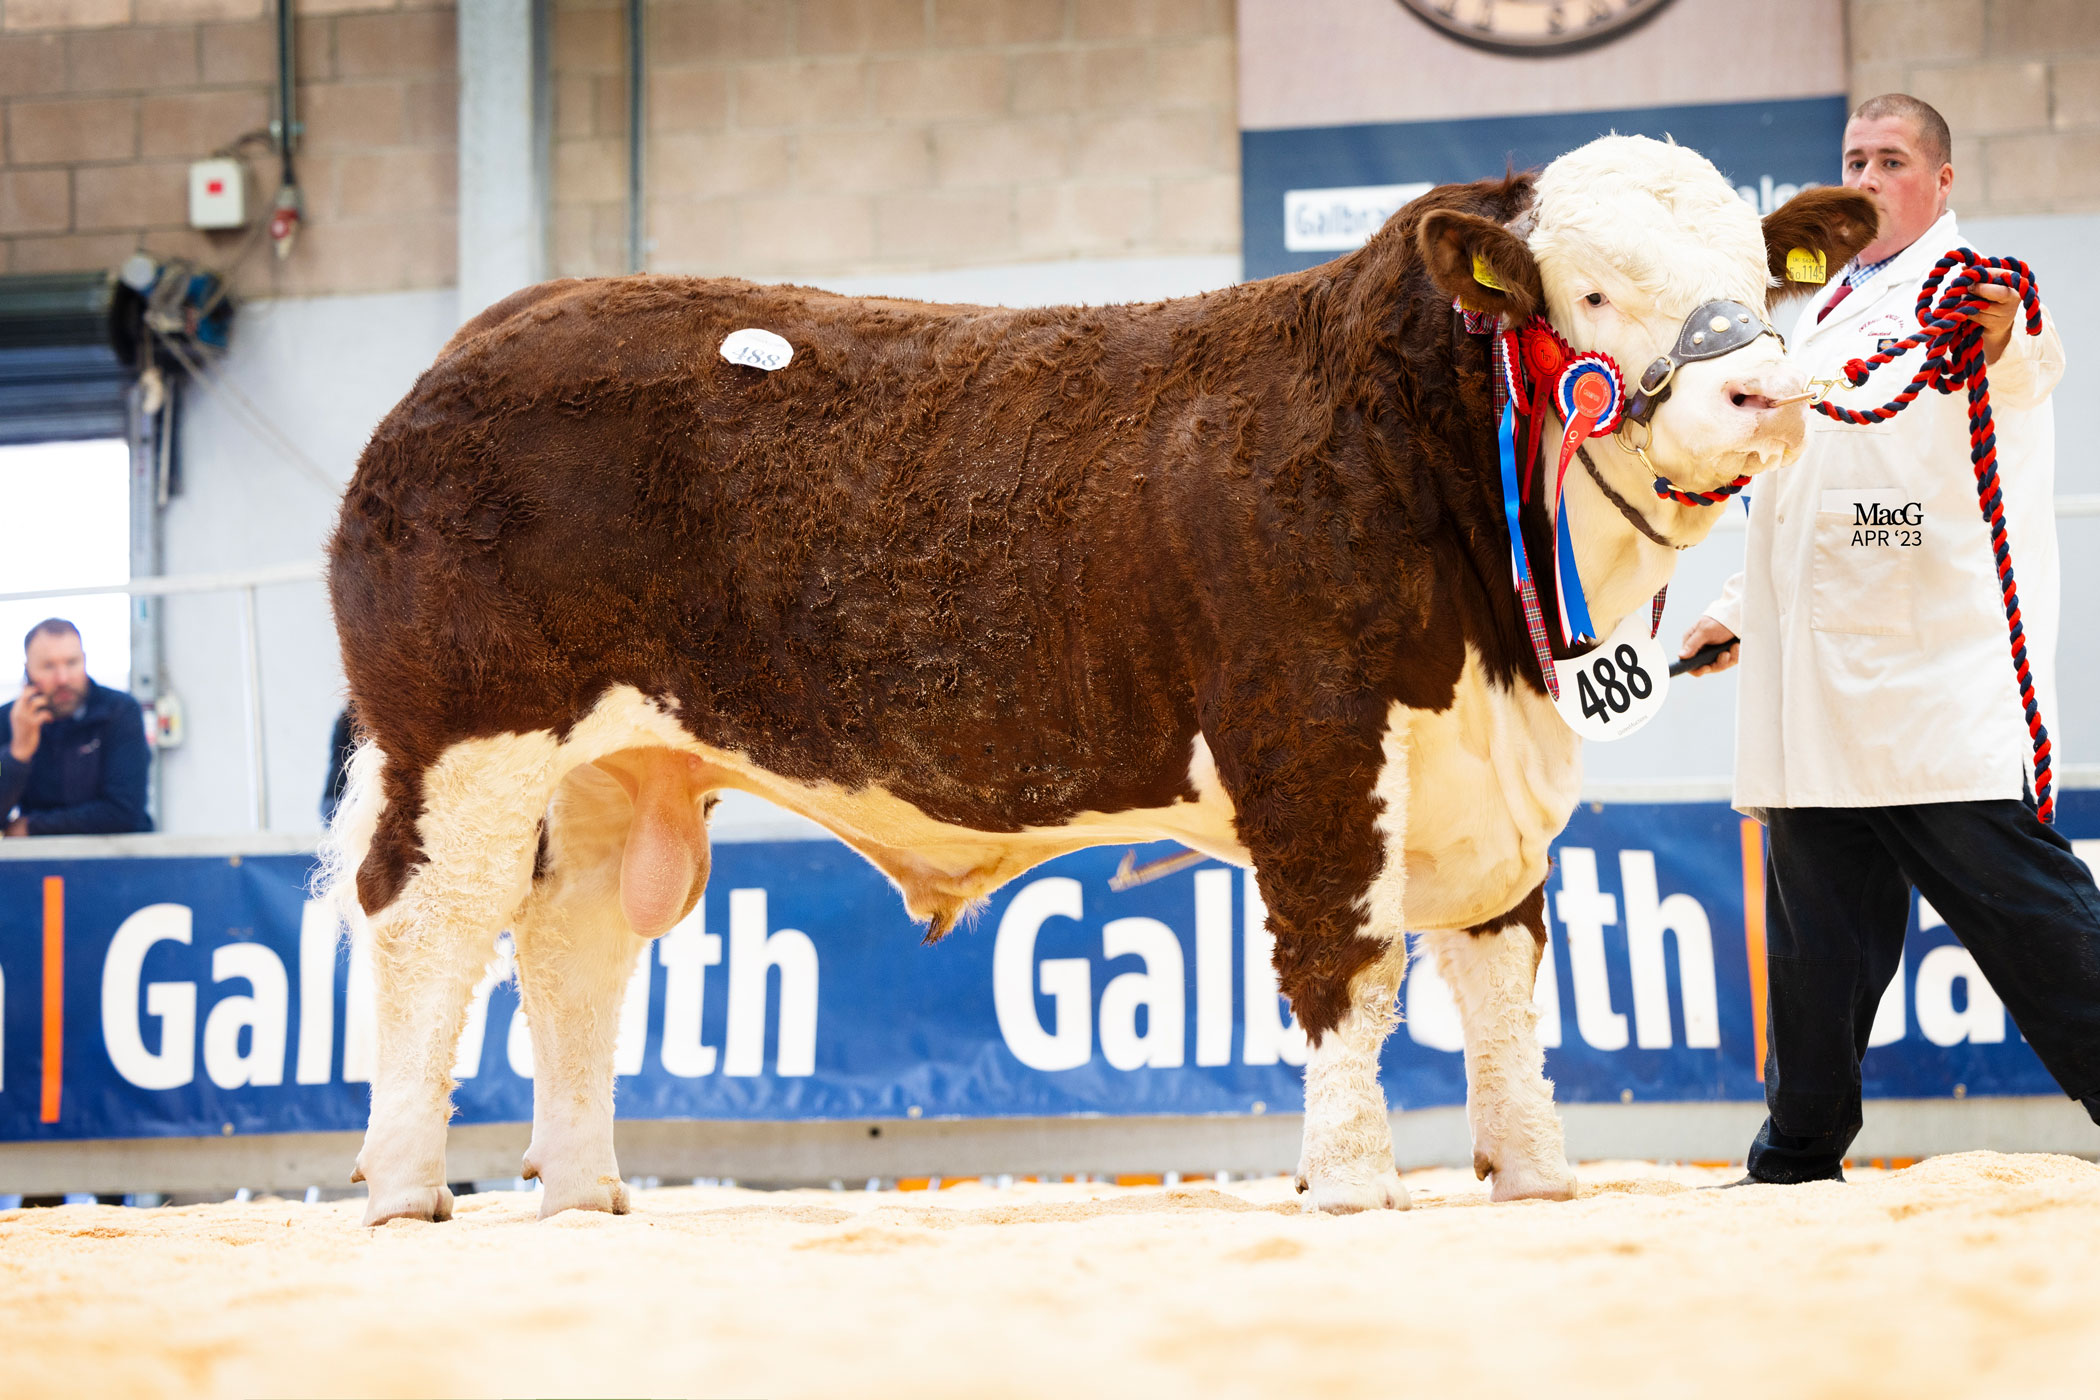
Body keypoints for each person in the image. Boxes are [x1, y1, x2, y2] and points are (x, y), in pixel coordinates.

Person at [1679, 94, 2100, 1183]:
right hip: (1817, 694)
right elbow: (1800, 485)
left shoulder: (1969, 289)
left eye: (1894, 159)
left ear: (1942, 181)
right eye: (1855, 159)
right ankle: (1797, 1158)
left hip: (1928, 681)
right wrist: (1736, 605)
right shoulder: (1824, 310)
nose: (1868, 177)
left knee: (2036, 928)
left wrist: (2007, 330)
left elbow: (2021, 356)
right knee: (1818, 952)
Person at [0, 618, 153, 837]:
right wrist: (17, 755)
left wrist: (31, 827)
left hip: (117, 861)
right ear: (28, 671)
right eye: (48, 666)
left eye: (71, 663)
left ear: (84, 661)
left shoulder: (119, 712)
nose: (62, 678)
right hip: (38, 864)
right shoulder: (8, 721)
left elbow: (124, 812)